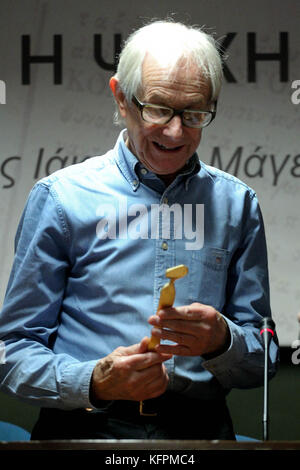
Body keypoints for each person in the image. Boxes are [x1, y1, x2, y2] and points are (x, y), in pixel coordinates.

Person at [0, 19, 278, 441]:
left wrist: (224, 340)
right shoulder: (60, 199)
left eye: (195, 113)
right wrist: (93, 380)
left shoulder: (237, 205)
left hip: (200, 432)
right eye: (159, 108)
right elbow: (12, 351)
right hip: (83, 430)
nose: (176, 131)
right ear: (121, 99)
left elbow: (264, 356)